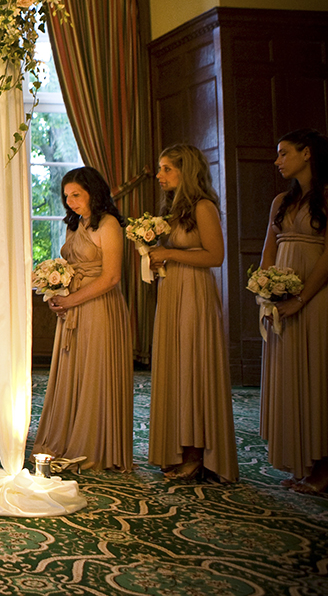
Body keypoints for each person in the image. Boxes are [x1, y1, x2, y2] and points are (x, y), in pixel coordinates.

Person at [144, 144, 238, 482]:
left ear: (187, 171)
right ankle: (179, 446)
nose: (159, 176)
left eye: (166, 169)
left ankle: (199, 452)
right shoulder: (173, 210)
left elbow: (215, 256)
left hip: (195, 292)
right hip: (172, 291)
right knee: (175, 365)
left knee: (192, 364)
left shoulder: (203, 206)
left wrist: (170, 253)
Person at [33, 166, 133, 472]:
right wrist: (55, 294)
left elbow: (112, 277)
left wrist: (72, 299)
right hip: (71, 308)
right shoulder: (74, 224)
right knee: (72, 373)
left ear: (94, 191)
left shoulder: (110, 224)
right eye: (67, 196)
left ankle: (94, 445)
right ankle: (65, 437)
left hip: (100, 308)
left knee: (95, 373)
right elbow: (67, 265)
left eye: (76, 194)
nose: (71, 201)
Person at [259, 128, 328, 494]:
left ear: (307, 153)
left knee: (315, 374)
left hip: (316, 297)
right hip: (281, 298)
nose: (278, 160)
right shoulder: (280, 201)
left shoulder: (327, 196)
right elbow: (269, 250)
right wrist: (266, 291)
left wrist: (301, 299)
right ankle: (301, 461)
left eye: (284, 153)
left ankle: (322, 467)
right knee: (290, 374)